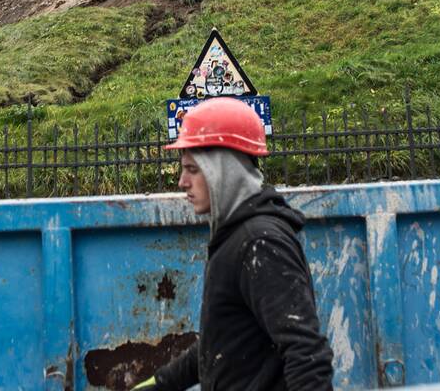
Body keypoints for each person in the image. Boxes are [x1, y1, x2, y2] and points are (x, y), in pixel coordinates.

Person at [134, 97, 334, 390]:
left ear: (222, 171)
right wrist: (159, 384)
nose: (181, 182)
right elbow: (222, 345)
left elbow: (306, 354)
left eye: (192, 169)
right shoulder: (235, 237)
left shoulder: (259, 244)